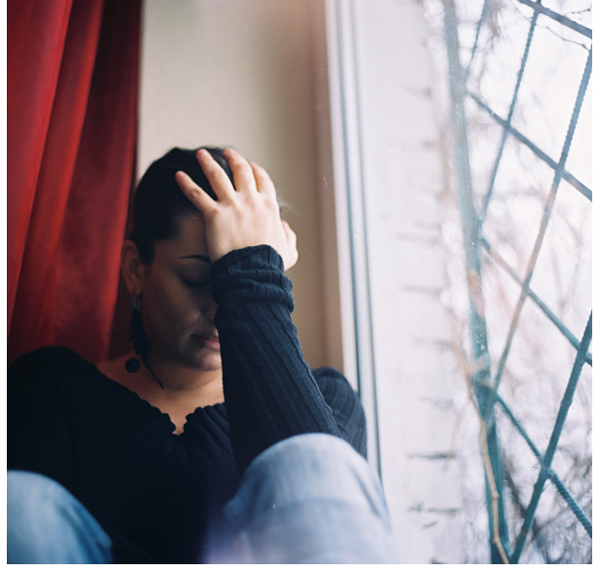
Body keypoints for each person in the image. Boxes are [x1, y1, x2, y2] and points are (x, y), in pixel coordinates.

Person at [7, 147, 399, 563]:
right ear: (135, 268)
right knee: (19, 504)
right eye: (197, 278)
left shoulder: (328, 400)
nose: (219, 309)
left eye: (238, 282)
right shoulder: (49, 388)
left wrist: (253, 276)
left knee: (317, 459)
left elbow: (318, 506)